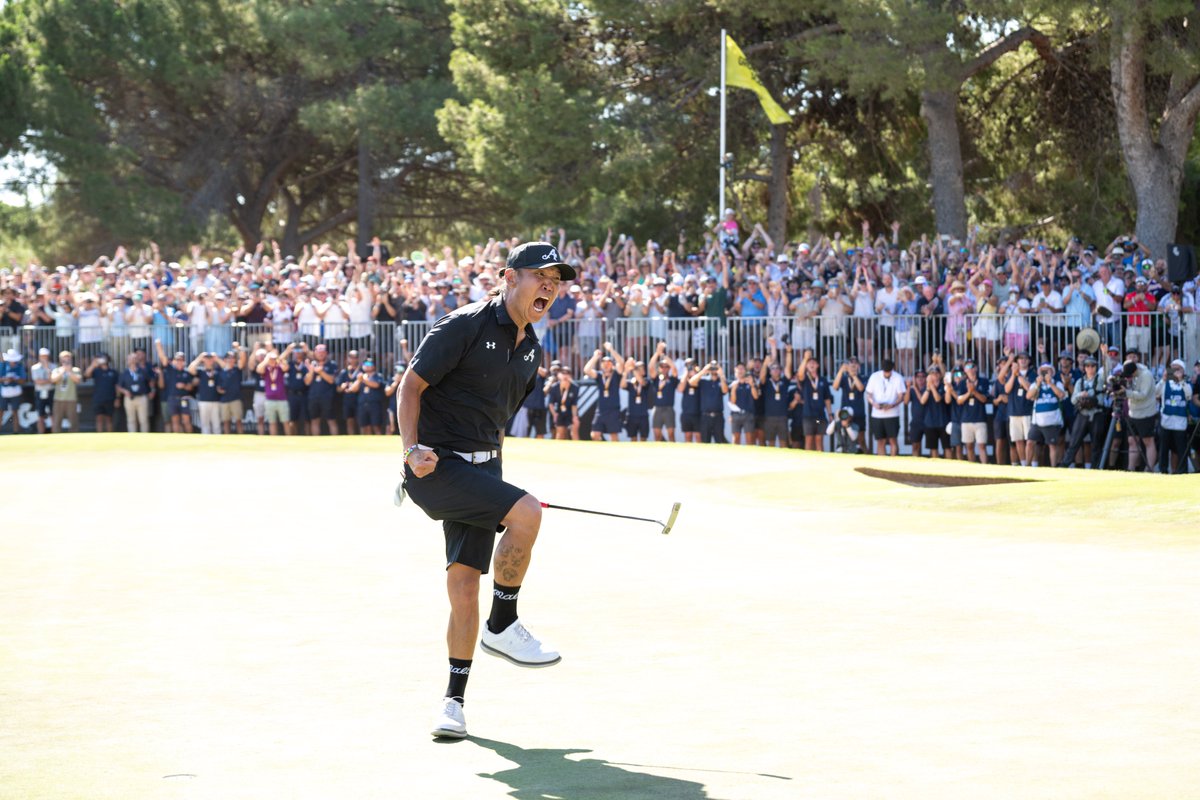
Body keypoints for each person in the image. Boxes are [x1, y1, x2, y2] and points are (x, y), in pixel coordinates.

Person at [396, 240, 572, 740]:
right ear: (508, 277)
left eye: (556, 282)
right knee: (530, 513)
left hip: (480, 472)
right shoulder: (465, 325)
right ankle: (505, 623)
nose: (549, 287)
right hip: (435, 468)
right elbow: (411, 387)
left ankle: (453, 704)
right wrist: (410, 452)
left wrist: (495, 486)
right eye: (541, 275)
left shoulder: (533, 349)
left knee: (464, 586)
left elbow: (497, 426)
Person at [1060, 357, 1105, 468]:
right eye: (1088, 366)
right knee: (1074, 442)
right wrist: (1081, 395)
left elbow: (1107, 369)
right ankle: (1064, 465)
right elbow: (1073, 400)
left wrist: (1104, 354)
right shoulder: (1080, 382)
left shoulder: (1100, 379)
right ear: (1084, 368)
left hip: (1096, 414)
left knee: (1096, 444)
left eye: (1093, 366)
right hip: (1083, 414)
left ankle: (1095, 468)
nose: (1090, 368)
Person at [1025, 362, 1067, 467]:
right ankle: (1026, 466)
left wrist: (1050, 384)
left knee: (1052, 445)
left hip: (1052, 421)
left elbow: (1062, 395)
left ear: (1052, 372)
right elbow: (1028, 396)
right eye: (1043, 371)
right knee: (1030, 442)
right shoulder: (1035, 384)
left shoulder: (1057, 383)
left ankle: (1053, 467)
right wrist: (1038, 385)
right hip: (1037, 421)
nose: (1045, 373)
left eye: (1047, 370)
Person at [1122, 357, 1158, 471]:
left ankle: (1149, 470)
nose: (1128, 377)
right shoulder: (1133, 374)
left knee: (1148, 441)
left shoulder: (1146, 375)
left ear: (1134, 371)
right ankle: (1130, 469)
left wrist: (1126, 392)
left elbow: (1143, 395)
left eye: (1129, 375)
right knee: (1132, 441)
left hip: (1145, 413)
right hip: (1132, 413)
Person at [583, 342, 625, 442]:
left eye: (609, 363)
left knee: (613, 435)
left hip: (613, 409)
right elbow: (587, 370)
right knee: (595, 434)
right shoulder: (599, 375)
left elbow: (621, 362)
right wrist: (595, 357)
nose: (606, 365)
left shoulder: (616, 374)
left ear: (612, 365)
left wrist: (611, 350)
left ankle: (616, 454)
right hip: (601, 410)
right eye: (604, 363)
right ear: (601, 365)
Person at [865, 357, 906, 456]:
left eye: (889, 371)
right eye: (885, 371)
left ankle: (893, 463)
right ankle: (881, 464)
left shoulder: (898, 377)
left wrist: (893, 405)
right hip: (877, 414)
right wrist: (874, 403)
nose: (887, 374)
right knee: (880, 441)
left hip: (892, 414)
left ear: (892, 369)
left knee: (893, 440)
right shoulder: (874, 377)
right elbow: (868, 394)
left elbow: (901, 396)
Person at [952, 360, 990, 463]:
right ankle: (972, 467)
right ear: (964, 370)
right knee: (969, 446)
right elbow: (959, 400)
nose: (970, 368)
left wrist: (974, 392)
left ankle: (985, 468)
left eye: (972, 366)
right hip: (966, 419)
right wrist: (969, 393)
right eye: (967, 366)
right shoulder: (962, 383)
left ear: (976, 368)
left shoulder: (983, 381)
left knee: (982, 445)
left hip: (980, 419)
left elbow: (984, 399)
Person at [304, 343, 339, 436]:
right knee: (314, 420)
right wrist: (311, 370)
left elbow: (332, 380)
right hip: (313, 397)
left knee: (331, 420)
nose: (320, 354)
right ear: (314, 353)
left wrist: (321, 372)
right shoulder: (311, 365)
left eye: (322, 352)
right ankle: (315, 442)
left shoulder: (332, 364)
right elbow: (307, 382)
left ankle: (335, 443)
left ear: (326, 353)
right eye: (318, 352)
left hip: (328, 397)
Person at [647, 343, 679, 442]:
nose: (664, 368)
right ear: (659, 368)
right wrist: (657, 353)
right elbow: (651, 367)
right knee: (657, 434)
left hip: (669, 409)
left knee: (671, 434)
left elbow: (674, 368)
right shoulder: (656, 379)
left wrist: (664, 356)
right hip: (657, 408)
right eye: (662, 366)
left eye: (666, 367)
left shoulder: (672, 379)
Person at [188, 351, 223, 435]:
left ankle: (218, 443)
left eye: (211, 359)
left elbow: (226, 367)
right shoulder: (201, 372)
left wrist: (217, 359)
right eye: (207, 359)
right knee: (204, 424)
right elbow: (190, 369)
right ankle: (206, 442)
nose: (209, 361)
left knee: (216, 424)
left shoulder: (217, 371)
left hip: (215, 401)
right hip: (203, 401)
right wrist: (199, 358)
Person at [621, 358, 653, 442]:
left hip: (643, 415)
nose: (638, 371)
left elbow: (642, 382)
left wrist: (633, 368)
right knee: (633, 438)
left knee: (643, 438)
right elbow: (622, 385)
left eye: (640, 369)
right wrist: (626, 371)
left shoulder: (647, 381)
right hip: (632, 415)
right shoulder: (632, 383)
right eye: (637, 369)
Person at [85, 354, 119, 433]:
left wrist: (117, 398)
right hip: (98, 399)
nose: (102, 360)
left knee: (109, 419)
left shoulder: (113, 372)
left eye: (103, 358)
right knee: (99, 418)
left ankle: (109, 436)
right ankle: (99, 436)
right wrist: (93, 365)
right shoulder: (96, 371)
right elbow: (86, 375)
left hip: (110, 398)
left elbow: (117, 386)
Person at [217, 346, 247, 434]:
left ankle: (241, 438)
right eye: (228, 358)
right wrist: (219, 390)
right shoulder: (220, 372)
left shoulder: (237, 369)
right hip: (224, 400)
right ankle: (227, 440)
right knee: (226, 422)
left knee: (238, 421)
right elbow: (218, 386)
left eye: (232, 358)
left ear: (234, 360)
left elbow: (243, 359)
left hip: (236, 399)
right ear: (225, 359)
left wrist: (238, 348)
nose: (230, 360)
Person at [727, 362, 759, 445]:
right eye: (738, 369)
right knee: (735, 438)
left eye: (742, 369)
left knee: (749, 438)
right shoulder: (733, 385)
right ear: (735, 371)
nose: (740, 371)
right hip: (736, 414)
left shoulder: (751, 382)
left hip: (748, 413)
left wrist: (752, 385)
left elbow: (756, 397)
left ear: (745, 371)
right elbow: (732, 401)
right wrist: (734, 389)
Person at [353, 358, 387, 435]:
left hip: (374, 404)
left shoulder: (378, 375)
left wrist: (363, 380)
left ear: (374, 366)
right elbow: (353, 389)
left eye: (369, 364)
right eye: (365, 364)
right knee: (364, 426)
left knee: (376, 426)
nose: (367, 366)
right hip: (362, 404)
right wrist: (359, 380)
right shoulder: (360, 377)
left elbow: (376, 385)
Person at [546, 367, 579, 440]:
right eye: (563, 373)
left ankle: (577, 449)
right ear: (559, 375)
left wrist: (574, 416)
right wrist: (554, 414)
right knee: (560, 433)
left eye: (567, 373)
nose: (565, 375)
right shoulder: (554, 387)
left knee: (574, 431)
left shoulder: (575, 387)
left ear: (571, 376)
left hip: (570, 412)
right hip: (559, 412)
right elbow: (551, 403)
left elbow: (574, 404)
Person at [30, 348, 55, 434]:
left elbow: (53, 380)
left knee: (53, 414)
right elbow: (38, 382)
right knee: (40, 415)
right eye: (42, 356)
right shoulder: (34, 367)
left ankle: (55, 433)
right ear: (39, 357)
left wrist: (47, 369)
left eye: (45, 356)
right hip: (40, 392)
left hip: (51, 391)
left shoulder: (53, 366)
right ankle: (41, 433)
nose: (44, 358)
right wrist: (48, 380)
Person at [0, 349, 25, 434]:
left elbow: (22, 380)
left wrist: (15, 379)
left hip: (15, 391)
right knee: (1, 411)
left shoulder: (20, 366)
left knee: (15, 411)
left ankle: (16, 431)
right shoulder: (3, 365)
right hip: (4, 391)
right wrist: (5, 379)